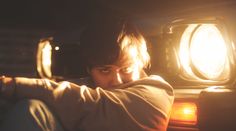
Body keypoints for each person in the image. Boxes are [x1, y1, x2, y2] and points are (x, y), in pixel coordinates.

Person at [0, 18, 174, 131]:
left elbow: (89, 103)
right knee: (32, 108)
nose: (117, 80)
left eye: (126, 69)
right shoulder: (90, 86)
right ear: (89, 70)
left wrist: (11, 85)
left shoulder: (157, 92)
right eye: (105, 70)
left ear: (141, 62)